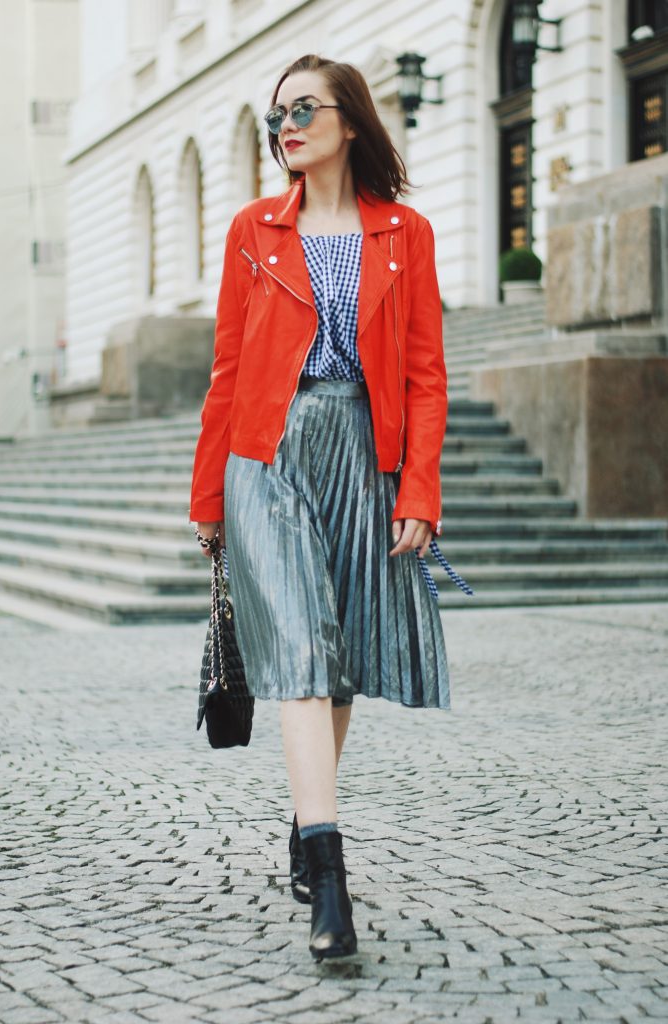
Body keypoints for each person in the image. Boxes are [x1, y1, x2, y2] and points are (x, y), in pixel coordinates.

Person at [189, 53, 452, 961]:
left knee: (334, 663)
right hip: (267, 454)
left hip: (362, 456)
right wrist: (208, 496)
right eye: (275, 118)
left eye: (304, 109)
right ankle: (330, 877)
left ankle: (306, 818)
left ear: (351, 120)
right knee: (300, 648)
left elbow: (424, 375)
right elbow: (226, 370)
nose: (287, 127)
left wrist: (419, 488)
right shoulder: (252, 231)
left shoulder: (404, 233)